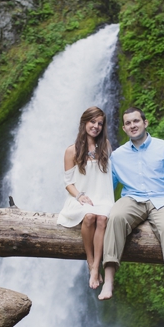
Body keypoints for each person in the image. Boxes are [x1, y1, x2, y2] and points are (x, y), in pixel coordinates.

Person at [97, 107, 164, 312]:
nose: (132, 125)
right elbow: (106, 187)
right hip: (132, 198)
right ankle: (108, 281)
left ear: (145, 123)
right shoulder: (117, 156)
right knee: (116, 216)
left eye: (136, 121)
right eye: (128, 123)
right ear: (124, 128)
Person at [57, 106, 116, 289]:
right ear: (84, 123)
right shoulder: (71, 151)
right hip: (81, 198)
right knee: (90, 216)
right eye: (92, 122)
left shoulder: (105, 146)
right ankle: (91, 263)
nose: (96, 126)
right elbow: (68, 183)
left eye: (100, 123)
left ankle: (96, 266)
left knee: (102, 218)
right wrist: (80, 196)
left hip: (103, 198)